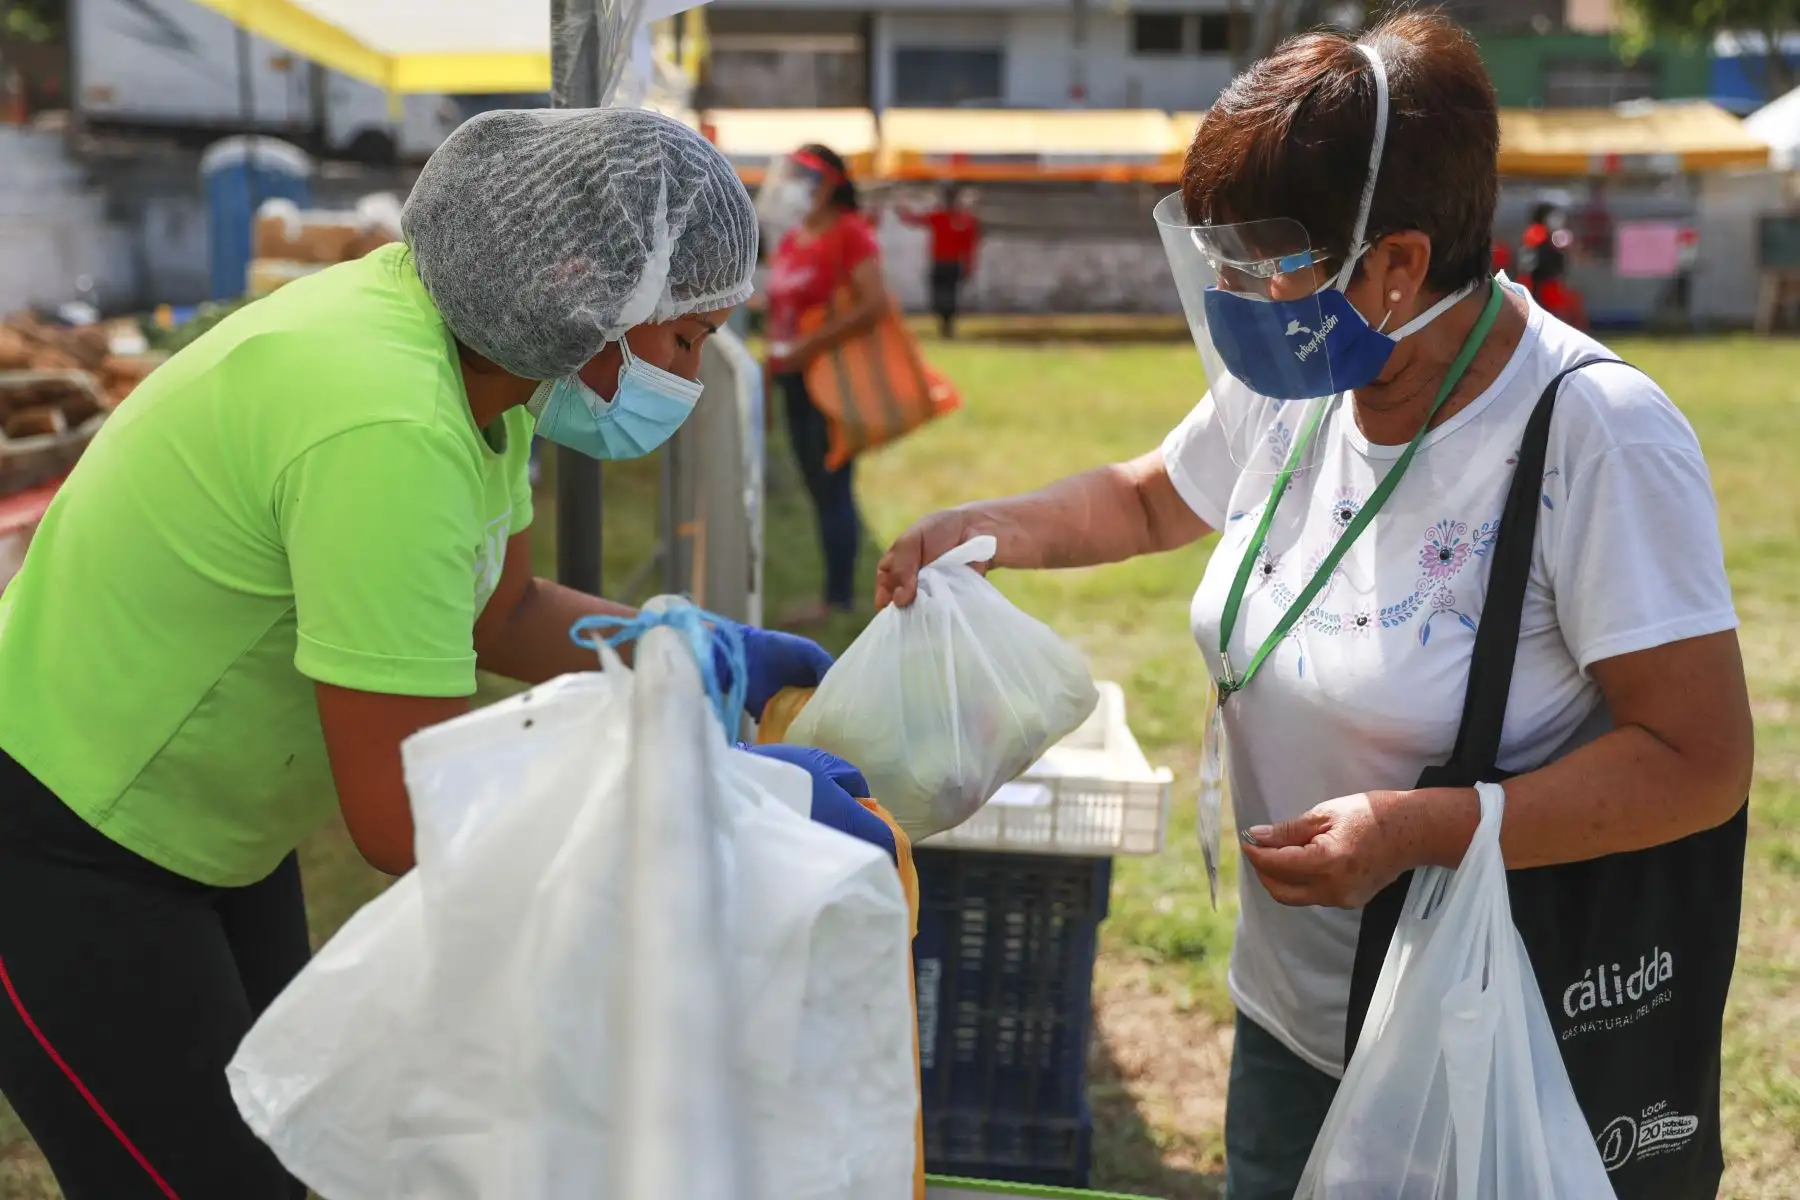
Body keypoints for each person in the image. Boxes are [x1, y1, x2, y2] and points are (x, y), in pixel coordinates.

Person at [877, 15, 1749, 1200]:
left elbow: (1699, 761)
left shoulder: (1597, 436)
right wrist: (996, 529)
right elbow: (1145, 501)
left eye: (1260, 259)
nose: (1234, 292)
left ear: (1395, 262)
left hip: (1488, 1040)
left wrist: (1413, 830)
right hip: (1291, 1014)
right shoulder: (1309, 376)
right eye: (1218, 257)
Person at [0, 108, 868, 1199]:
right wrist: (714, 794)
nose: (691, 378)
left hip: (214, 827)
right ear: (579, 292)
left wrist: (680, 655)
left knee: (291, 1143)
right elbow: (401, 820)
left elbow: (497, 613)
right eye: (686, 340)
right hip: (63, 834)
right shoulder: (391, 425)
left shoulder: (472, 363)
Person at [762, 143, 888, 623]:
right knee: (819, 485)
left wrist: (808, 348)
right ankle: (838, 590)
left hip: (831, 383)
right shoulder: (797, 237)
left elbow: (873, 303)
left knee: (833, 486)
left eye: (803, 177)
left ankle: (837, 599)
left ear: (829, 184)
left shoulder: (849, 234)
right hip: (795, 380)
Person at [898, 185, 982, 338]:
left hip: (943, 262)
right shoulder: (962, 219)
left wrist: (903, 210)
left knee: (942, 294)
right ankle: (946, 325)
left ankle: (945, 324)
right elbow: (970, 246)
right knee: (949, 294)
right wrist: (969, 266)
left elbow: (914, 219)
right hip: (951, 263)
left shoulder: (942, 217)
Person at [1519, 200, 1589, 331]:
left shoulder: (1540, 232)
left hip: (1544, 279)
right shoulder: (1537, 232)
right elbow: (1537, 256)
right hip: (1542, 280)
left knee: (1558, 311)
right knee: (1554, 313)